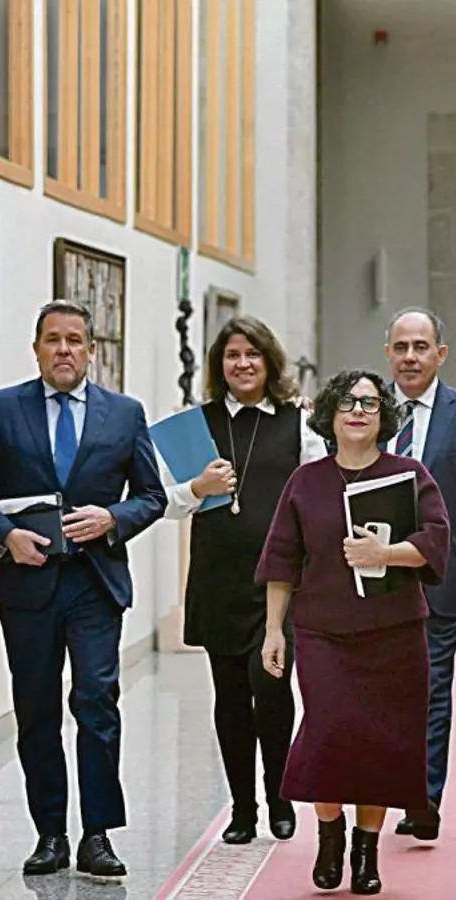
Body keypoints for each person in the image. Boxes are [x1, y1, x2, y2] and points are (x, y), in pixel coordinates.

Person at [0, 300, 167, 879]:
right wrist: (4, 536)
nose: (63, 349)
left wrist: (113, 518)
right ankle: (50, 834)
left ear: (91, 350)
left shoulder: (124, 414)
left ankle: (97, 835)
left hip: (96, 582)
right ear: (37, 348)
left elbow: (151, 496)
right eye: (53, 339)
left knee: (96, 701)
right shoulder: (1, 408)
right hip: (27, 584)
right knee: (36, 709)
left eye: (74, 340)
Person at [255, 368, 451, 895]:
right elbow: (281, 560)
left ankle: (367, 852)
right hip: (323, 632)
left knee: (381, 742)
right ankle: (330, 836)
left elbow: (436, 541)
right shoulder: (306, 482)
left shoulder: (409, 474)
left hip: (394, 632)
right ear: (329, 415)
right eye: (347, 402)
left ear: (384, 415)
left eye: (369, 402)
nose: (358, 411)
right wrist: (273, 630)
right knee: (329, 731)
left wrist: (386, 553)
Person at [159, 315, 326, 845]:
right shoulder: (196, 423)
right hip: (218, 579)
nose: (243, 363)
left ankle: (279, 798)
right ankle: (242, 809)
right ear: (220, 365)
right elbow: (164, 502)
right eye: (232, 355)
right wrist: (197, 487)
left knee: (271, 687)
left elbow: (320, 489)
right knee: (230, 696)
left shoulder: (298, 421)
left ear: (269, 361)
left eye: (252, 354)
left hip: (279, 583)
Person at [381, 307, 456, 842]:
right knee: (384, 688)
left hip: (444, 574)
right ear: (388, 353)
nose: (410, 357)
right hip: (378, 573)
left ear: (440, 353)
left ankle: (424, 796)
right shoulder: (367, 409)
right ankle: (384, 786)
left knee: (432, 686)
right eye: (401, 347)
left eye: (420, 347)